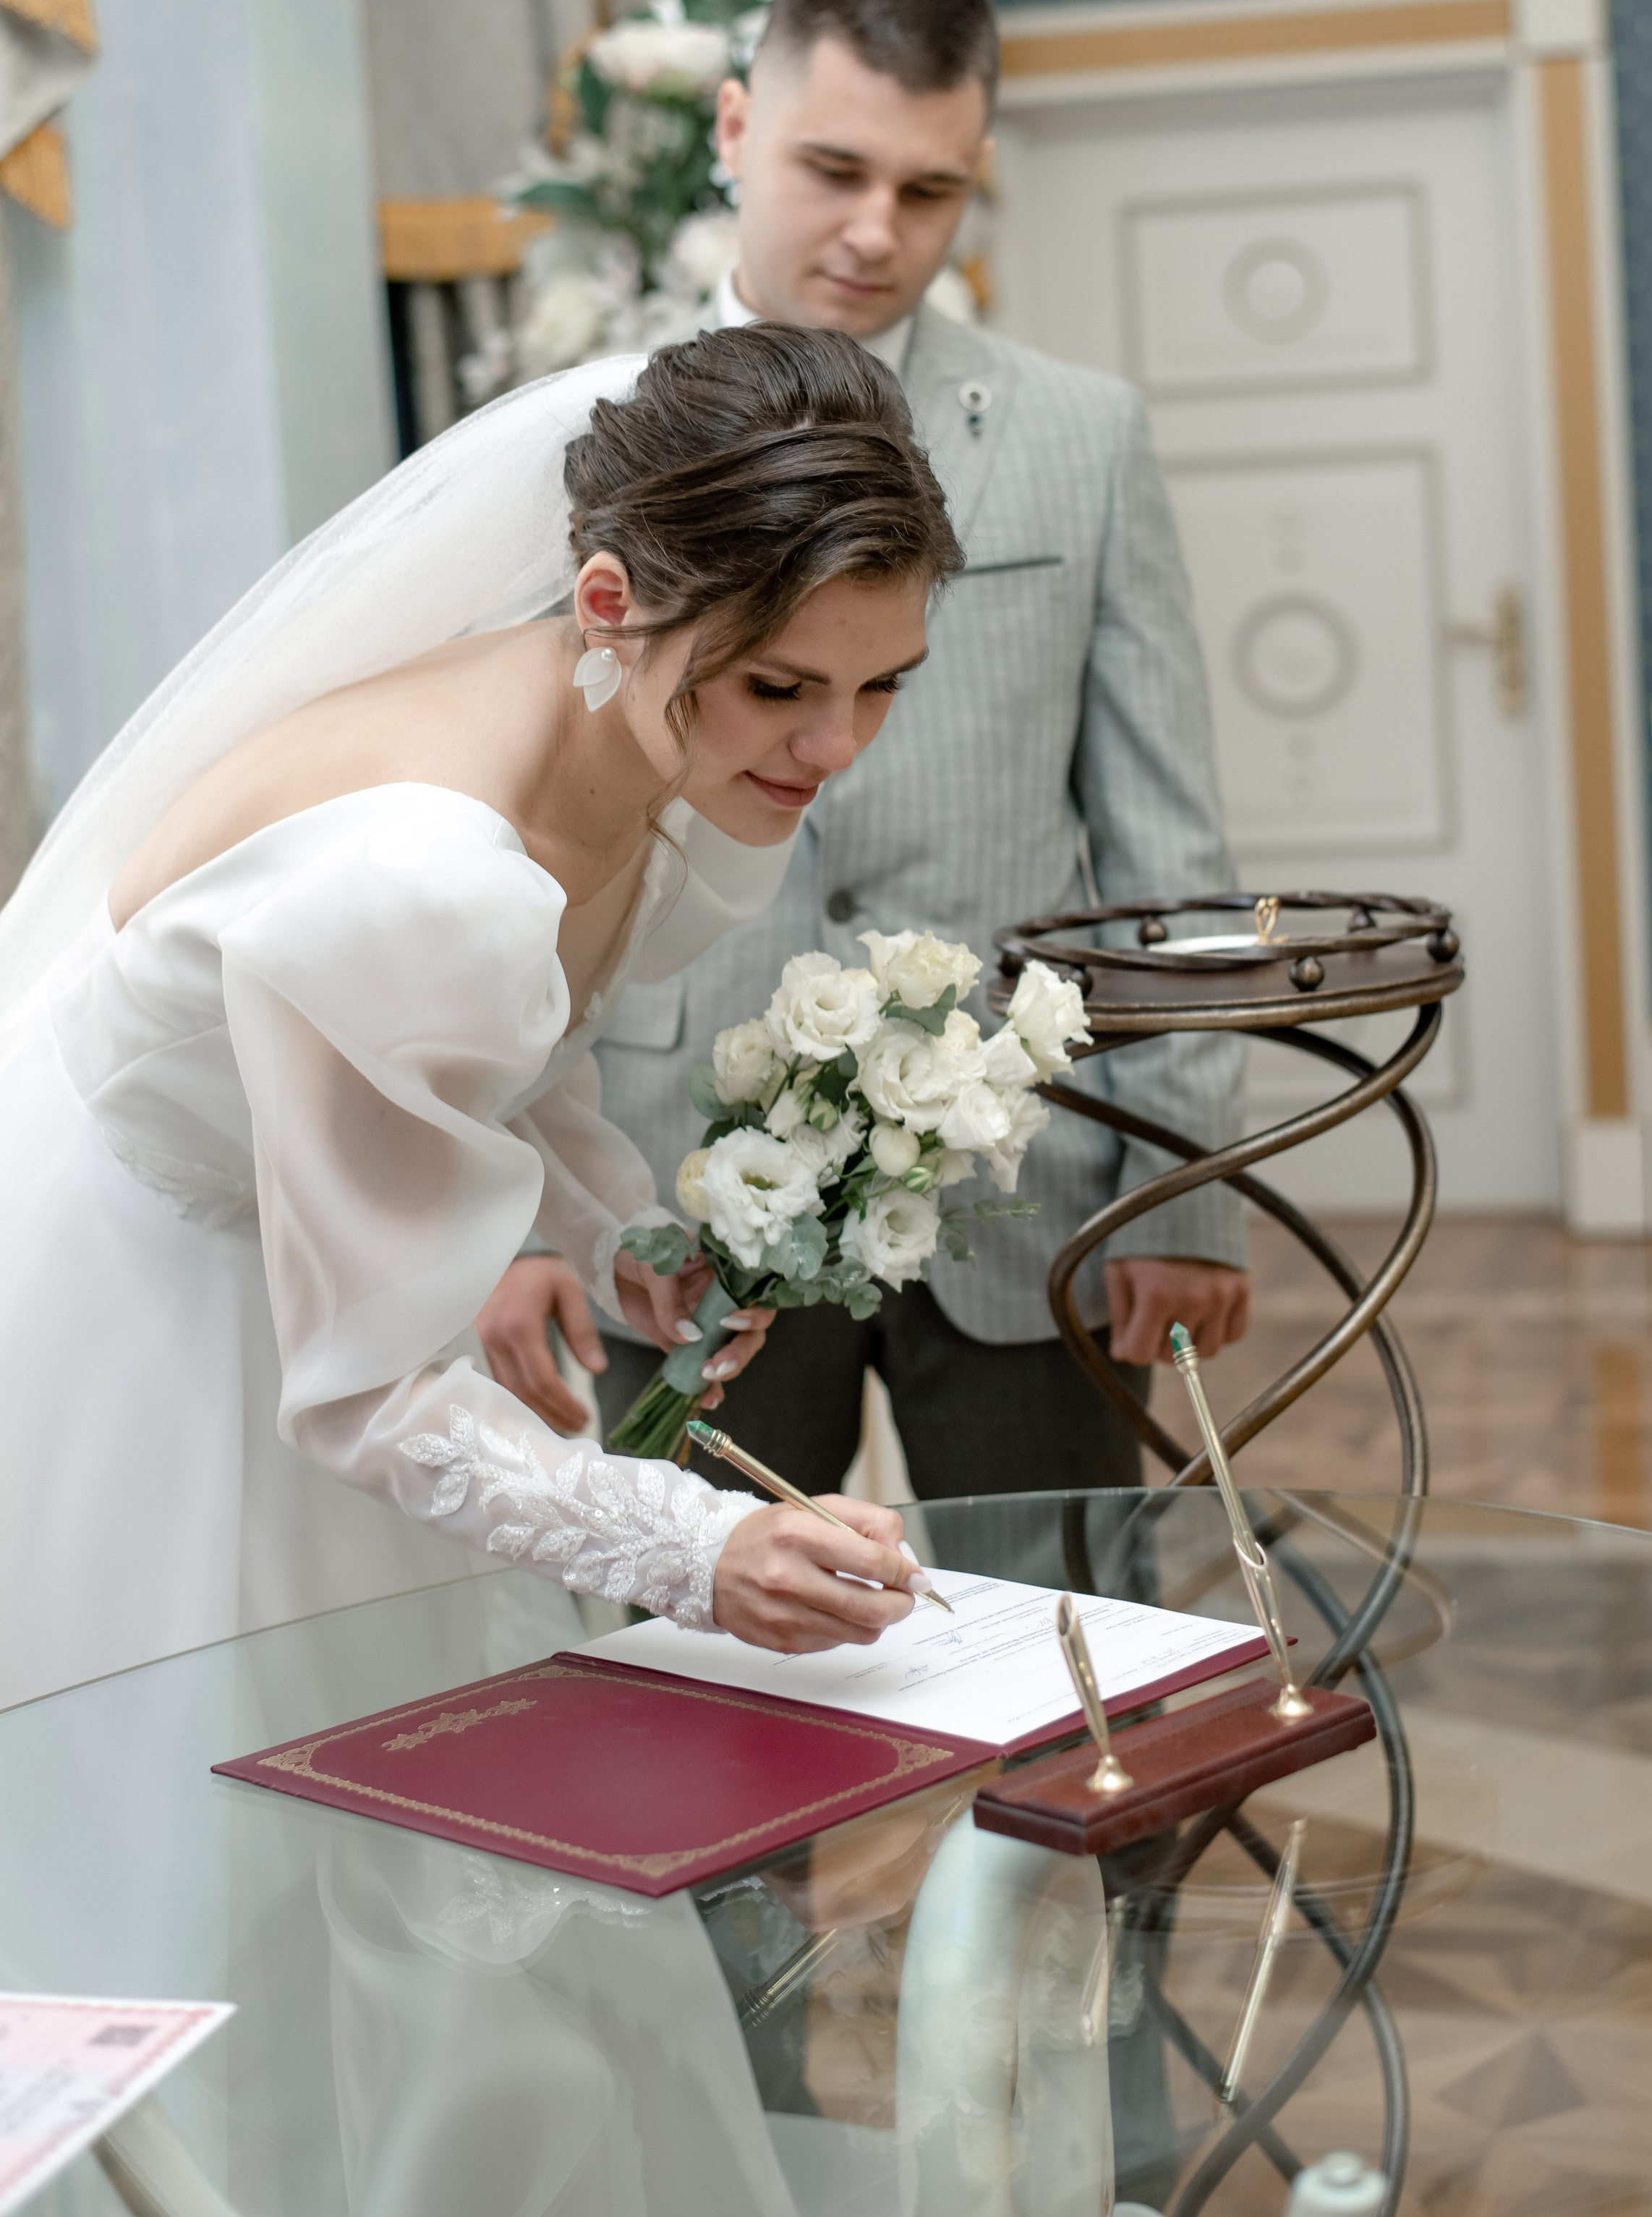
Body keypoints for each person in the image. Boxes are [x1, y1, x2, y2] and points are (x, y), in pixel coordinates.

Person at [0, 324, 963, 1713]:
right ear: (610, 599)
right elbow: (366, 1395)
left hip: (323, 1249)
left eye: (882, 684)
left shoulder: (618, 721)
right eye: (783, 687)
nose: (838, 748)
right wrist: (704, 1549)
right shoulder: (422, 874)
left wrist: (607, 1223)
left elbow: (500, 1037)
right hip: (145, 1301)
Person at [478, 0, 1249, 1499]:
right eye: (834, 168)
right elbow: (510, 841)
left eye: (930, 191)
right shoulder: (577, 439)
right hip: (674, 1166)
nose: (874, 230)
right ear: (733, 129)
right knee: (705, 1678)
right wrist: (520, 1203)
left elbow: (1167, 837)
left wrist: (1182, 1190)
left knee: (1074, 1651)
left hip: (1033, 1173)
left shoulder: (1080, 436)